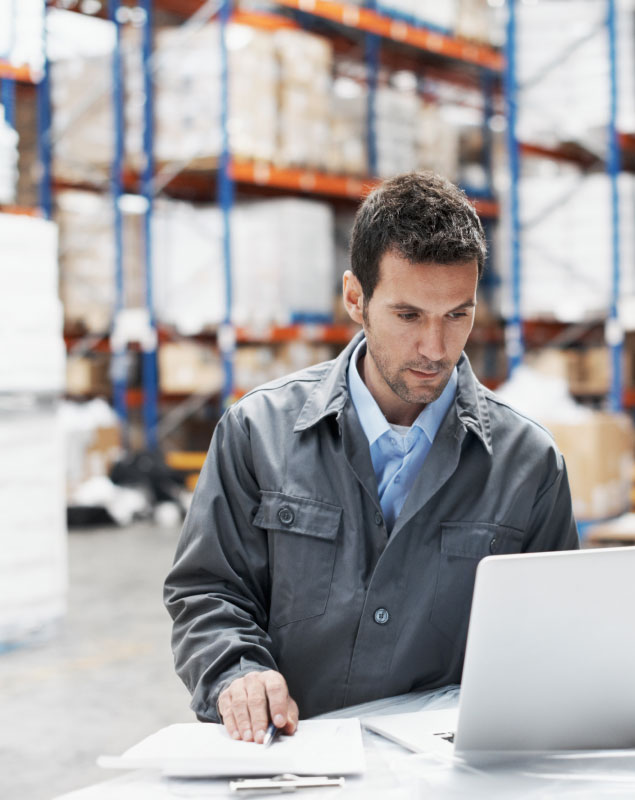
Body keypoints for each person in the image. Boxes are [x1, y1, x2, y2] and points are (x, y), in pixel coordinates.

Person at [164, 172, 579, 746]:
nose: (435, 350)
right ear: (355, 298)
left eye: (458, 315)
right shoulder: (256, 433)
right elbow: (208, 590)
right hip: (292, 760)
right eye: (409, 316)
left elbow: (553, 640)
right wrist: (238, 673)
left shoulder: (528, 464)